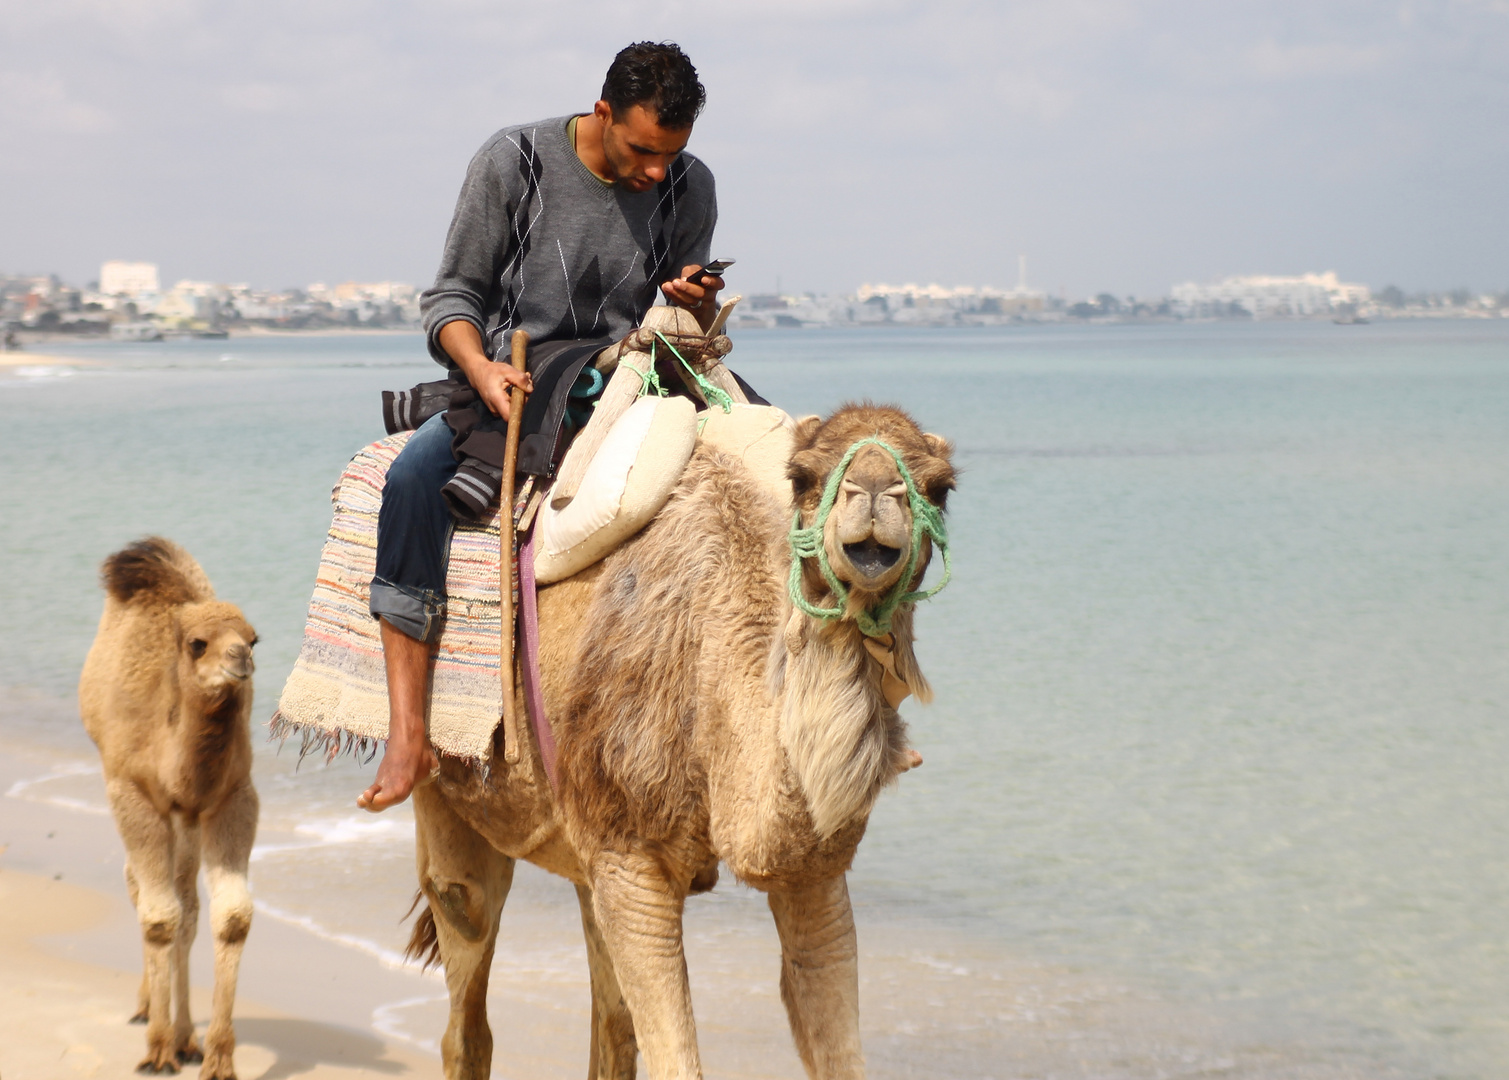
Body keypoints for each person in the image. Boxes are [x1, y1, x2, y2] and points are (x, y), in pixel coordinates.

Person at [358, 41, 725, 811]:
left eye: (672, 154)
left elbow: (684, 316)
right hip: (516, 378)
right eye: (642, 150)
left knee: (758, 464)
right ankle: (407, 733)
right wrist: (482, 370)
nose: (657, 171)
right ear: (601, 114)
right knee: (412, 481)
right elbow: (452, 295)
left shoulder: (690, 185)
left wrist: (690, 300)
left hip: (633, 375)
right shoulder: (512, 161)